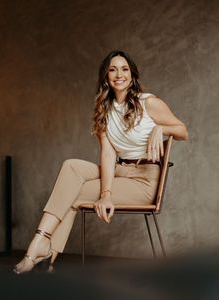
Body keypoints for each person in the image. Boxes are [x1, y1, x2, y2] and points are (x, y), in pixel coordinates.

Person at [13, 50, 188, 274]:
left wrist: (159, 128)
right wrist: (106, 193)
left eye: (124, 69)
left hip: (145, 181)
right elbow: (107, 154)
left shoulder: (149, 103)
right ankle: (41, 246)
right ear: (106, 76)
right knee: (71, 166)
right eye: (112, 69)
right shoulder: (104, 110)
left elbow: (183, 131)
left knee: (74, 193)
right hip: (119, 172)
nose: (119, 74)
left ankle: (41, 252)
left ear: (132, 75)